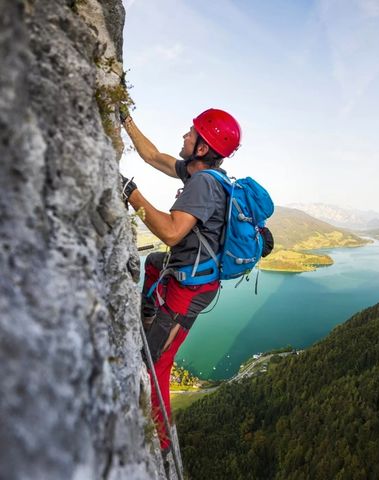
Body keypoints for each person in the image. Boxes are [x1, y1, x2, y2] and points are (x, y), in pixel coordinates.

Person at [120, 108, 241, 451]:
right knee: (156, 262)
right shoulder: (198, 173)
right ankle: (148, 315)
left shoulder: (203, 184)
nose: (184, 137)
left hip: (190, 290)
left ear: (202, 148)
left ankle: (159, 445)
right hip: (192, 277)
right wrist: (126, 120)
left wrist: (132, 194)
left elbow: (173, 233)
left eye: (190, 133)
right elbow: (153, 156)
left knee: (157, 360)